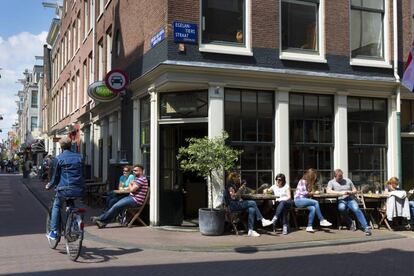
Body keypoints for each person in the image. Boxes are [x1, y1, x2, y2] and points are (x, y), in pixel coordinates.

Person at [45, 137, 85, 240]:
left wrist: (49, 185)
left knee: (57, 206)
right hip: (79, 189)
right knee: (70, 203)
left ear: (61, 146)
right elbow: (82, 173)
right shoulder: (79, 157)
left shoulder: (58, 158)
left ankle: (53, 231)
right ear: (70, 145)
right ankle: (72, 224)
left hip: (64, 189)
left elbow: (55, 177)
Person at [224, 172, 273, 237]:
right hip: (233, 206)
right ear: (233, 178)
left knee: (252, 209)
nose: (239, 178)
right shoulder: (230, 186)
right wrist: (240, 190)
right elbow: (233, 197)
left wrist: (241, 191)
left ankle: (250, 230)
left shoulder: (234, 185)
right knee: (252, 202)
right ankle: (262, 219)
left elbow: (237, 197)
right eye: (237, 177)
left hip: (236, 204)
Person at [327, 169, 372, 236]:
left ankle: (366, 227)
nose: (341, 178)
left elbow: (355, 190)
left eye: (341, 176)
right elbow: (328, 191)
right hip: (341, 199)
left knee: (356, 209)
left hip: (350, 198)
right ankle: (350, 222)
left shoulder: (348, 180)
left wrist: (350, 192)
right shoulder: (331, 182)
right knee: (341, 208)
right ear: (335, 176)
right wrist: (340, 193)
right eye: (339, 177)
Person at [294, 168, 332, 233]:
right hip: (298, 200)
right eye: (315, 176)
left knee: (313, 208)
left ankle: (309, 226)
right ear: (311, 176)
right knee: (316, 202)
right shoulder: (302, 181)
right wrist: (314, 193)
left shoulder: (309, 183)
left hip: (304, 200)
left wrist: (314, 191)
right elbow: (303, 193)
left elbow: (308, 193)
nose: (315, 177)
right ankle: (322, 220)